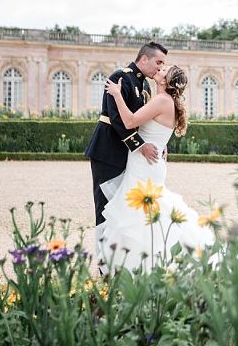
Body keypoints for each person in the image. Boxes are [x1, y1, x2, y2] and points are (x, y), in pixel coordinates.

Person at [99, 64, 214, 271]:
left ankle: (142, 264)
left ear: (165, 81)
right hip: (150, 162)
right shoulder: (165, 100)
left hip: (145, 164)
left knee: (140, 214)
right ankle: (139, 263)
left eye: (163, 70)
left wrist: (116, 95)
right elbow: (158, 131)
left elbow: (130, 121)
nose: (158, 69)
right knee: (143, 213)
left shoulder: (161, 100)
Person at [85, 42, 168, 263]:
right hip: (108, 151)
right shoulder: (121, 76)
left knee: (123, 207)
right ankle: (104, 263)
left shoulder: (145, 85)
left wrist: (158, 141)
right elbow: (117, 118)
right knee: (105, 207)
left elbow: (145, 120)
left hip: (128, 155)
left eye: (163, 64)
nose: (160, 68)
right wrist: (140, 145)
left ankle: (121, 259)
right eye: (158, 62)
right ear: (144, 59)